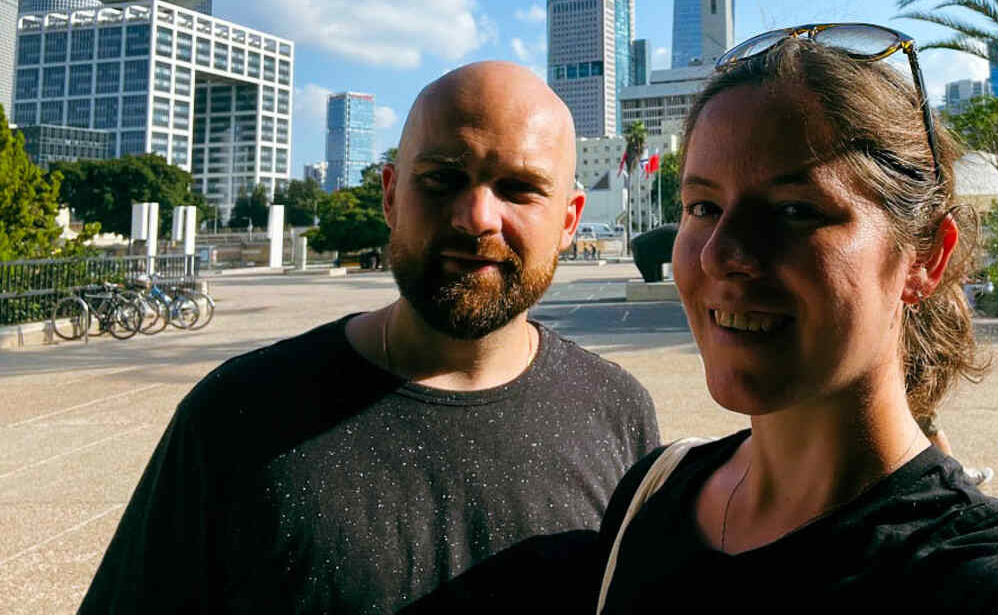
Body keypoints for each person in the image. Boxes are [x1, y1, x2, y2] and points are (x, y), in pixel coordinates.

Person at [82, 62, 659, 614]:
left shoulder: (618, 413)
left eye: (519, 188)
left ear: (568, 220)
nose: (477, 216)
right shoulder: (235, 415)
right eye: (441, 179)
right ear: (390, 195)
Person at [594, 28, 998, 613]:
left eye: (795, 211)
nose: (720, 254)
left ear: (926, 254)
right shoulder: (650, 496)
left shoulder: (981, 576)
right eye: (703, 207)